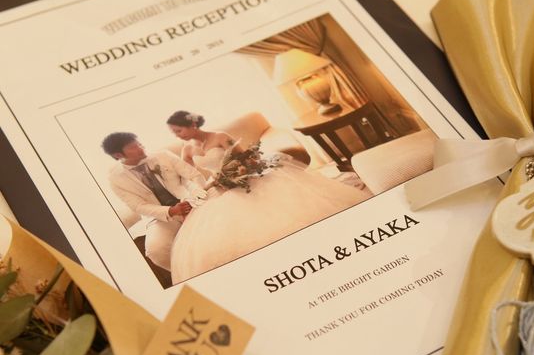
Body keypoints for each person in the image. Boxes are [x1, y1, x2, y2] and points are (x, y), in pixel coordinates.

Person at [165, 111, 371, 283]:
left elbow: (246, 157)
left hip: (245, 178)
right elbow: (188, 177)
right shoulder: (187, 149)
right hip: (218, 188)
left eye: (179, 130)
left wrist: (236, 173)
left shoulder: (220, 137)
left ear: (192, 124)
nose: (177, 136)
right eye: (174, 133)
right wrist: (200, 189)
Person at [102, 131, 206, 271]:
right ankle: (190, 273)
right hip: (160, 217)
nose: (141, 148)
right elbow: (138, 206)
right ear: (118, 155)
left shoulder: (163, 155)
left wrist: (196, 196)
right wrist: (171, 211)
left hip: (190, 201)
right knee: (155, 251)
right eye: (133, 147)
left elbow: (193, 175)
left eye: (139, 143)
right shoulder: (116, 179)